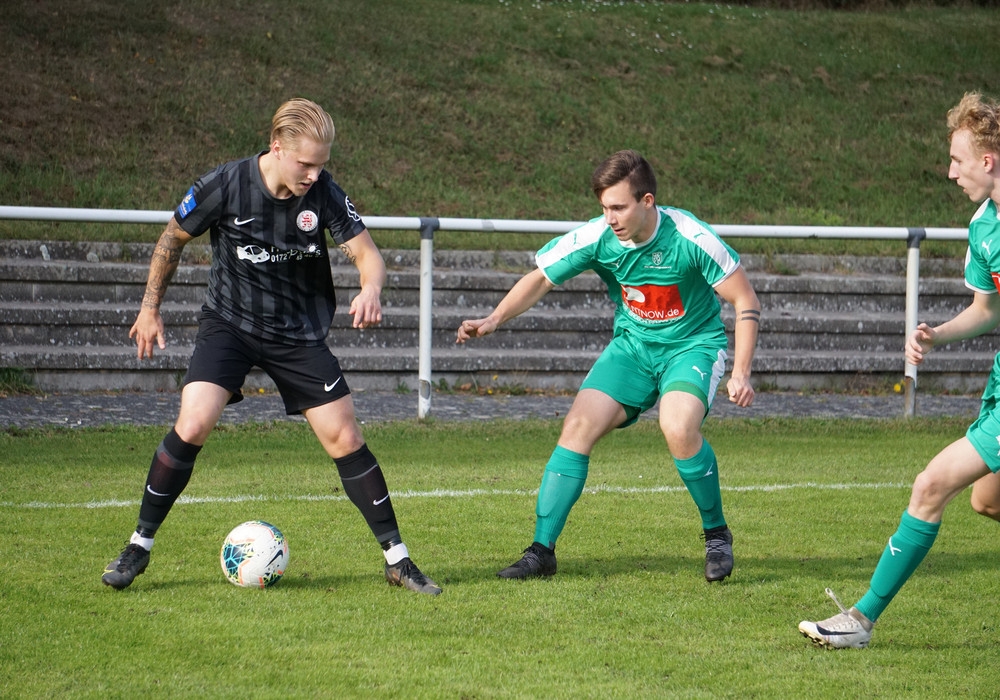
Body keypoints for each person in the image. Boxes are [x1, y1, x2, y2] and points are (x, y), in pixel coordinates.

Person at [101, 98, 440, 595]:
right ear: (277, 148)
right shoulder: (226, 184)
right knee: (193, 422)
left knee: (345, 438)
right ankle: (138, 546)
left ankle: (398, 560)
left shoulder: (322, 192)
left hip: (296, 333)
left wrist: (370, 288)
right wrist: (150, 308)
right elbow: (171, 240)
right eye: (305, 163)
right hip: (229, 325)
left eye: (321, 163)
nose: (313, 173)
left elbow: (368, 255)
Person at [456, 150, 760, 582]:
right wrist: (493, 318)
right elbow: (541, 276)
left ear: (648, 201)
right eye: (604, 207)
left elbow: (745, 300)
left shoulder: (690, 237)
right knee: (577, 427)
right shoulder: (598, 236)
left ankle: (716, 535)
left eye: (619, 207)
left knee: (677, 427)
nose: (610, 217)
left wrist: (741, 372)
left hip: (692, 347)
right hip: (633, 349)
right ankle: (541, 551)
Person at [799, 91, 1000, 648]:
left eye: (957, 159)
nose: (950, 171)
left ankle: (860, 621)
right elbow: (987, 310)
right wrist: (937, 335)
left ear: (988, 161)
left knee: (931, 484)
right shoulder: (984, 227)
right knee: (988, 500)